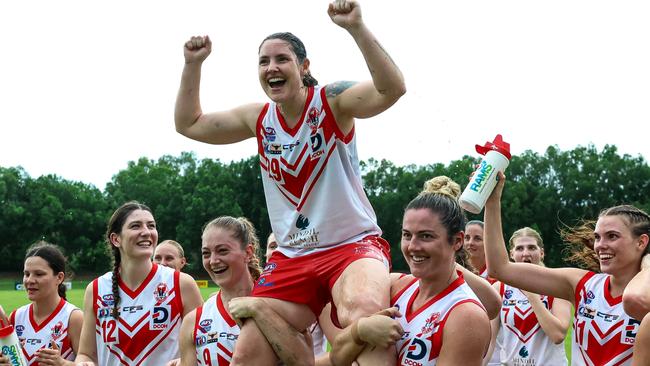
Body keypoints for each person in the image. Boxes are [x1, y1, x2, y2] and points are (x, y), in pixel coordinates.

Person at [174, 0, 406, 364]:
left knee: (365, 315)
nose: (271, 68)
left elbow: (390, 90)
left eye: (281, 59)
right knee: (250, 347)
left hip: (350, 245)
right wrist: (192, 65)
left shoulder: (332, 101)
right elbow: (189, 124)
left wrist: (356, 28)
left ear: (303, 66)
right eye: (263, 62)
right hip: (293, 255)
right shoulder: (258, 118)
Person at [483, 171, 649, 366]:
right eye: (597, 237)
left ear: (641, 242)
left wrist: (647, 265)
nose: (600, 245)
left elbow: (636, 299)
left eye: (612, 236)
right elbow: (500, 269)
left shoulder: (642, 295)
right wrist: (492, 201)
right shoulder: (582, 284)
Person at [329, 176, 494, 365]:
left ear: (457, 241)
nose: (413, 246)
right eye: (407, 235)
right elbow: (337, 358)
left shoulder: (466, 316)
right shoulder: (393, 286)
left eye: (426, 236)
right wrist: (359, 331)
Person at [74, 201, 204, 366]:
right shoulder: (96, 289)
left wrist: (186, 360)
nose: (146, 232)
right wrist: (83, 363)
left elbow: (204, 344)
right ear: (115, 239)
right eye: (136, 226)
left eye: (151, 226)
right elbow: (86, 354)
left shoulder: (182, 284)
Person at [176, 217, 314, 366]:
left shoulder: (279, 305)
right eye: (206, 253)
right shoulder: (193, 321)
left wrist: (259, 310)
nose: (213, 261)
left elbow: (305, 362)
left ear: (248, 253)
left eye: (222, 251)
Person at [486, 227, 571, 365]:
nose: (526, 254)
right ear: (511, 254)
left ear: (542, 253)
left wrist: (531, 293)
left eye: (532, 248)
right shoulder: (500, 288)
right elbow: (489, 341)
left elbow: (558, 335)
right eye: (519, 248)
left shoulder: (557, 286)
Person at [0, 242, 82, 366]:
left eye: (39, 274)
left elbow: (92, 362)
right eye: (26, 274)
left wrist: (63, 363)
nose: (29, 280)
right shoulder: (17, 316)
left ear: (59, 278)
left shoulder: (74, 318)